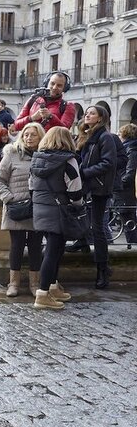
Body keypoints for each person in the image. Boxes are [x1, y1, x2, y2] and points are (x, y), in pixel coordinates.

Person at [29, 126, 84, 309]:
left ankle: (52, 286)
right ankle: (42, 294)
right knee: (53, 252)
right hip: (59, 210)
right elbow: (75, 189)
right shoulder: (68, 160)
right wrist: (78, 205)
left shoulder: (36, 159)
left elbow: (31, 186)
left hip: (40, 209)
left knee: (55, 249)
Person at [0, 122, 45, 297]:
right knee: (17, 245)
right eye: (26, 134)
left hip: (38, 208)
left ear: (41, 136)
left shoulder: (45, 156)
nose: (29, 138)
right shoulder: (11, 154)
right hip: (17, 208)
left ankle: (34, 283)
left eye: (33, 134)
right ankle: (13, 283)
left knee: (36, 246)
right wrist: (9, 199)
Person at [75, 105, 117, 289]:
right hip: (86, 186)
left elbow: (108, 162)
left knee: (98, 227)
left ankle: (102, 268)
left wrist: (84, 173)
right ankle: (81, 243)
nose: (87, 115)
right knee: (82, 220)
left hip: (98, 188)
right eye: (86, 113)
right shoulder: (88, 135)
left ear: (100, 118)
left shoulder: (105, 136)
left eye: (92, 113)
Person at [118, 123, 137, 247]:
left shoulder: (131, 150)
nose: (118, 136)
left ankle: (133, 247)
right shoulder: (127, 149)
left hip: (126, 192)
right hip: (125, 190)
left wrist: (117, 183)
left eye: (120, 134)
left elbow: (130, 173)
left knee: (129, 220)